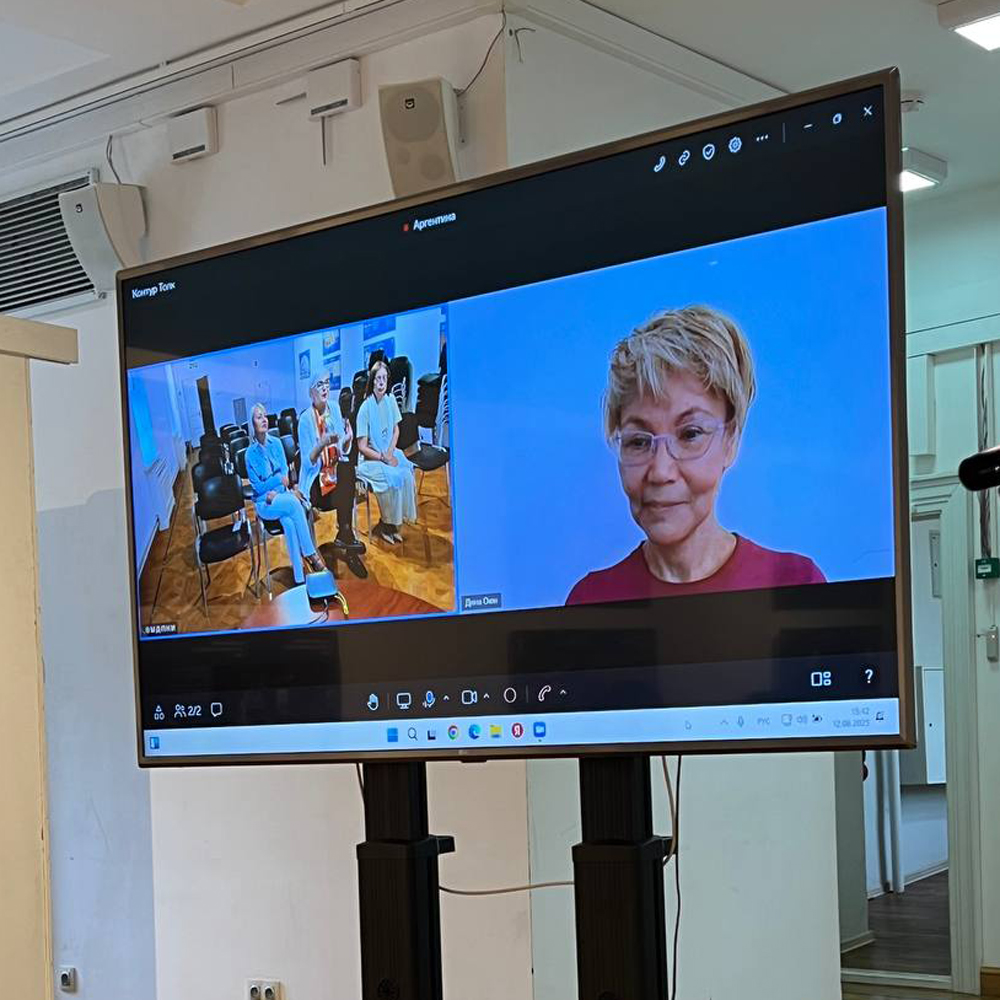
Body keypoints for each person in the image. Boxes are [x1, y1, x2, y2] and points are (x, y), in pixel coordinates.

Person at [567, 305, 825, 605]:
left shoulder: (796, 583)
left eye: (690, 434)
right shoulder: (590, 599)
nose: (660, 471)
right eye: (638, 441)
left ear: (731, 440)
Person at [245, 402, 326, 584]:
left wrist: (276, 490)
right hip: (264, 503)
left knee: (289, 523)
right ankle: (311, 554)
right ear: (252, 423)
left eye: (265, 415)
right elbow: (258, 488)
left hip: (280, 496)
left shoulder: (276, 443)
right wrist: (276, 483)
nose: (264, 419)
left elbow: (286, 477)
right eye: (259, 417)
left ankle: (299, 578)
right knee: (294, 503)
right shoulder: (250, 454)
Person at [297, 371, 368, 578]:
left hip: (336, 478)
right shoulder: (305, 420)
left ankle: (346, 534)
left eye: (327, 383)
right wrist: (321, 444)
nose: (325, 388)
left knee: (346, 469)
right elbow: (308, 463)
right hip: (315, 483)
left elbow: (343, 451)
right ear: (311, 392)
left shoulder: (335, 408)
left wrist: (347, 439)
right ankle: (346, 534)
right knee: (345, 476)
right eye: (320, 384)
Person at [356, 359, 417, 544]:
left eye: (384, 378)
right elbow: (362, 446)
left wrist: (390, 453)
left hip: (388, 452)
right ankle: (386, 525)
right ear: (372, 381)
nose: (381, 382)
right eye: (378, 378)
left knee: (406, 473)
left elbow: (396, 430)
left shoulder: (390, 401)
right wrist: (383, 458)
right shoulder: (365, 408)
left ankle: (394, 523)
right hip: (370, 460)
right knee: (393, 477)